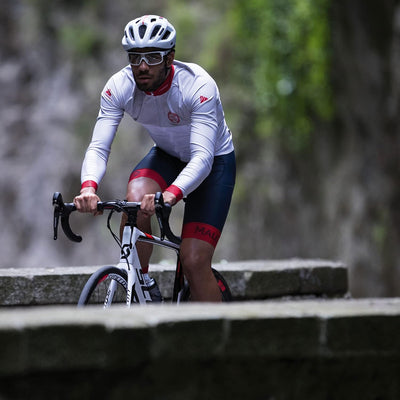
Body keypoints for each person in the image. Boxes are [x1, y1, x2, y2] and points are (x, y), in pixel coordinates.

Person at [73, 15, 235, 302]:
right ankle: (143, 284)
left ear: (170, 58)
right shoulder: (119, 86)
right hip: (168, 155)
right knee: (135, 199)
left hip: (213, 162)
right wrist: (88, 188)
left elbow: (202, 158)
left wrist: (171, 194)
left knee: (194, 261)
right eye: (135, 57)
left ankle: (220, 340)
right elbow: (98, 147)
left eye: (152, 57)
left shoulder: (197, 86)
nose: (142, 66)